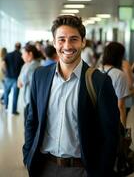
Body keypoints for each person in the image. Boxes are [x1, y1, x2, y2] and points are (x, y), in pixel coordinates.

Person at [23, 15, 120, 177]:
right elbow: (32, 120)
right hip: (44, 166)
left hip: (82, 169)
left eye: (73, 39)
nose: (67, 45)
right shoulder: (40, 77)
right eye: (61, 39)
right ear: (54, 42)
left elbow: (110, 134)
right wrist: (28, 155)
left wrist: (102, 171)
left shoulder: (99, 81)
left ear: (83, 41)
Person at [99, 42, 130, 128]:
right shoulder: (119, 74)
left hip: (97, 119)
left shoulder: (96, 70)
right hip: (111, 120)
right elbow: (120, 106)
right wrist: (123, 129)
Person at [17, 44, 41, 125]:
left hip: (30, 101)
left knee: (29, 126)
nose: (22, 56)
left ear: (30, 54)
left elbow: (20, 83)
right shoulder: (29, 65)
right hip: (31, 101)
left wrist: (20, 79)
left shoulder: (31, 67)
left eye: (23, 54)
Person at [3, 42, 24, 115]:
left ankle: (6, 107)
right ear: (20, 47)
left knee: (6, 93)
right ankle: (13, 111)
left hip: (8, 77)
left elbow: (3, 64)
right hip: (16, 78)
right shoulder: (21, 56)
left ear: (15, 47)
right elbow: (23, 68)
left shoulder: (8, 54)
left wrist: (5, 72)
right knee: (15, 95)